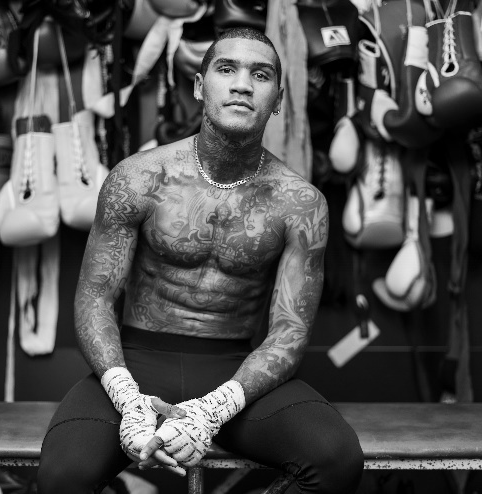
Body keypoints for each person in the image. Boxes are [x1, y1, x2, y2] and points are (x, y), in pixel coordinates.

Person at [37, 27, 364, 494]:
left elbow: (289, 333)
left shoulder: (300, 203)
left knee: (337, 458)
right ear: (199, 85)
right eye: (226, 69)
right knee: (62, 478)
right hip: (136, 362)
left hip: (236, 371)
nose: (242, 84)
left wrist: (215, 408)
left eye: (260, 75)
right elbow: (95, 297)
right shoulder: (139, 178)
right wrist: (125, 396)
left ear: (277, 99)